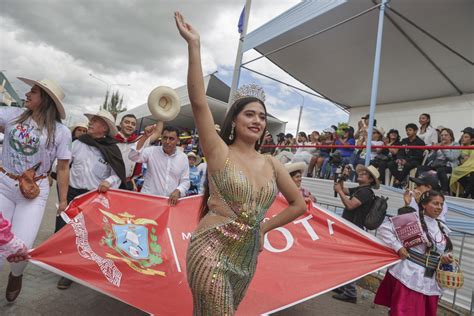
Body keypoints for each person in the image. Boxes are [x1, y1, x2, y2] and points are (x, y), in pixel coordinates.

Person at [175, 12, 306, 315]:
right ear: (234, 119)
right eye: (250, 114)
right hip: (210, 251)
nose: (257, 120)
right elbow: (198, 102)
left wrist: (265, 228)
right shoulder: (219, 151)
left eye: (262, 116)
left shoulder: (273, 163)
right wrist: (194, 46)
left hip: (247, 259)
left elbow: (298, 205)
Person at [0, 77, 72, 302]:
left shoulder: (61, 132)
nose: (27, 95)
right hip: (3, 183)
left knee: (22, 246)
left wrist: (62, 200)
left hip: (32, 192)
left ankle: (16, 274)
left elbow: (62, 168)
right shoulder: (11, 116)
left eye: (33, 92)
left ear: (46, 100)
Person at [55, 109, 126, 289]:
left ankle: (86, 268)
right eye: (92, 120)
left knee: (90, 237)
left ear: (104, 128)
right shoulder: (77, 143)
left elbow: (117, 175)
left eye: (95, 121)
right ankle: (66, 271)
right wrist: (62, 199)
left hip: (94, 199)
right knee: (67, 234)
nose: (90, 123)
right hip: (72, 195)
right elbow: (63, 168)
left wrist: (109, 181)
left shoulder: (112, 149)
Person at [375, 191, 453, 315]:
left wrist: (445, 258)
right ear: (424, 205)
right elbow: (384, 229)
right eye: (435, 203)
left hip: (430, 278)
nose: (439, 207)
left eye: (441, 204)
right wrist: (399, 247)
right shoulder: (412, 219)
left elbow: (442, 250)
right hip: (410, 274)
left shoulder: (441, 227)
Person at [332, 164, 379, 303]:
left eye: (364, 174)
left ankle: (351, 293)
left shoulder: (365, 192)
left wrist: (339, 191)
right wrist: (343, 177)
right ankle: (343, 287)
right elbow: (344, 189)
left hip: (354, 229)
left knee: (348, 261)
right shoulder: (360, 189)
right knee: (343, 258)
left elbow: (350, 204)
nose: (361, 174)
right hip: (351, 227)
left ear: (370, 180)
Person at [128, 125, 190, 205]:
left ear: (177, 140)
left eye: (171, 139)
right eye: (165, 138)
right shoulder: (151, 151)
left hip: (169, 203)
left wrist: (178, 190)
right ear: (161, 138)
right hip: (148, 201)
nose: (167, 141)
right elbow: (132, 156)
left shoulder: (183, 157)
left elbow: (185, 181)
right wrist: (145, 137)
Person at [115, 114, 162, 191]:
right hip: (110, 183)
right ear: (120, 124)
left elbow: (157, 133)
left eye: (133, 124)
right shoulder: (111, 141)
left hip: (127, 183)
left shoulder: (139, 140)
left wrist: (162, 115)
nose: (130, 125)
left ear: (135, 127)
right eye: (127, 122)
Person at [417, 128, 460, 195]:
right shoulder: (439, 144)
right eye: (442, 135)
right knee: (421, 168)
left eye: (446, 135)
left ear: (451, 136)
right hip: (437, 165)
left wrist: (443, 148)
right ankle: (420, 186)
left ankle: (445, 191)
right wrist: (434, 150)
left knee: (440, 170)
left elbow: (452, 157)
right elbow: (429, 159)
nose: (443, 137)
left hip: (449, 166)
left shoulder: (455, 144)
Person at [388, 123, 425, 188]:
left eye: (410, 130)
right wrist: (399, 158)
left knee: (407, 165)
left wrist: (406, 160)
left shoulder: (420, 142)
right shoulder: (404, 140)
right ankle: (400, 180)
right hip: (403, 159)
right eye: (407, 130)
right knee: (390, 164)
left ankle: (397, 181)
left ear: (415, 131)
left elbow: (418, 156)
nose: (408, 132)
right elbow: (400, 151)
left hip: (414, 161)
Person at [450, 127, 474, 198]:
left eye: (466, 137)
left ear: (472, 139)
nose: (463, 138)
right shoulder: (459, 147)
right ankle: (467, 193)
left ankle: (465, 195)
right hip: (461, 168)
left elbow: (468, 161)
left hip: (469, 168)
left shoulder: (472, 147)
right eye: (463, 136)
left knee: (472, 176)